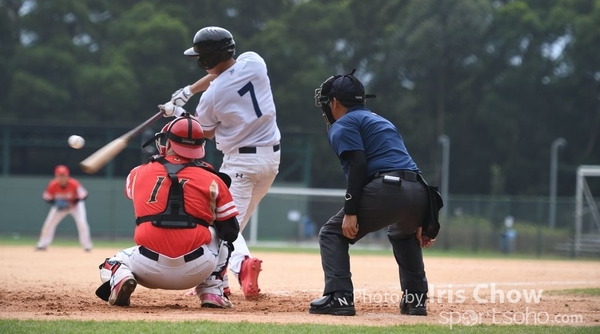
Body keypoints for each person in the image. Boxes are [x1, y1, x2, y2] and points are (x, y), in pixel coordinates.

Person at [159, 26, 280, 300]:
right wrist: (189, 90)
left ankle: (239, 267)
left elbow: (204, 132)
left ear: (206, 59)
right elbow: (222, 74)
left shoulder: (212, 98)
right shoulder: (254, 61)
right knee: (234, 225)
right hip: (271, 160)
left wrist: (179, 112)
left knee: (220, 224)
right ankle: (221, 277)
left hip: (239, 164)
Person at [309, 70, 443, 316]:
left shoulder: (343, 124)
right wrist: (425, 217)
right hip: (419, 189)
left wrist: (351, 211)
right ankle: (416, 300)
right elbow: (406, 164)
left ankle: (339, 298)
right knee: (404, 234)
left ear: (335, 102)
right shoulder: (381, 121)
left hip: (387, 189)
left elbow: (358, 165)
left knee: (331, 233)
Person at [94, 114, 240, 308]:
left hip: (147, 267)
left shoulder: (137, 174)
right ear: (200, 146)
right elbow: (231, 232)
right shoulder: (214, 179)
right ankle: (212, 292)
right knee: (220, 236)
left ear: (166, 142)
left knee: (113, 262)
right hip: (197, 269)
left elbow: (132, 193)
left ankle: (121, 277)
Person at [36, 165, 92, 252]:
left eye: (63, 175)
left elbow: (84, 195)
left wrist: (71, 203)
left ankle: (87, 246)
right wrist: (57, 203)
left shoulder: (74, 183)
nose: (62, 177)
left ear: (67, 176)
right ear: (56, 176)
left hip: (76, 206)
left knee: (82, 223)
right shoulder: (53, 185)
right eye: (60, 175)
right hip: (60, 208)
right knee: (49, 224)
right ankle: (42, 245)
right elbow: (46, 197)